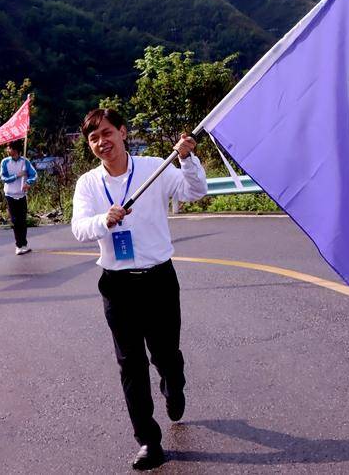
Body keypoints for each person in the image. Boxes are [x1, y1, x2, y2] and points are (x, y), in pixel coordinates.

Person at [71, 108, 207, 471]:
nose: (102, 142)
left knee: (165, 354)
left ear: (123, 132)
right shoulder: (87, 184)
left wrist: (187, 157)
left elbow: (196, 191)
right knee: (130, 365)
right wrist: (105, 219)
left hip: (159, 279)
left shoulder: (154, 169)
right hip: (117, 286)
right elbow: (80, 229)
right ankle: (148, 440)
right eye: (94, 138)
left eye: (107, 133)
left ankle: (173, 384)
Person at [0, 140, 37, 255]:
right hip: (10, 194)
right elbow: (3, 178)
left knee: (23, 221)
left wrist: (28, 183)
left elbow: (34, 174)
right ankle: (18, 245)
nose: (8, 150)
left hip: (21, 195)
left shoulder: (25, 162)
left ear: (15, 150)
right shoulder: (5, 162)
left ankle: (24, 244)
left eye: (9, 148)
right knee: (15, 221)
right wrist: (17, 176)